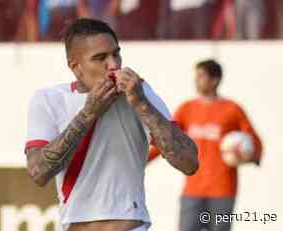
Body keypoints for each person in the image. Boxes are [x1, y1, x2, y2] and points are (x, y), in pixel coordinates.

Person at [24, 18, 198, 231]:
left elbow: (189, 162)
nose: (114, 65)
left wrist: (142, 105)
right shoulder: (49, 99)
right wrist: (88, 114)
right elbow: (38, 172)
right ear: (75, 67)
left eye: (116, 53)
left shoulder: (138, 91)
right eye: (100, 58)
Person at [173, 59, 263, 231]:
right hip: (192, 190)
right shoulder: (187, 109)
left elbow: (253, 139)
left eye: (201, 76)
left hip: (223, 190)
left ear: (214, 80)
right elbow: (167, 138)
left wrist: (252, 155)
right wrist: (143, 160)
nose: (196, 80)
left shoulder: (232, 109)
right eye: (196, 76)